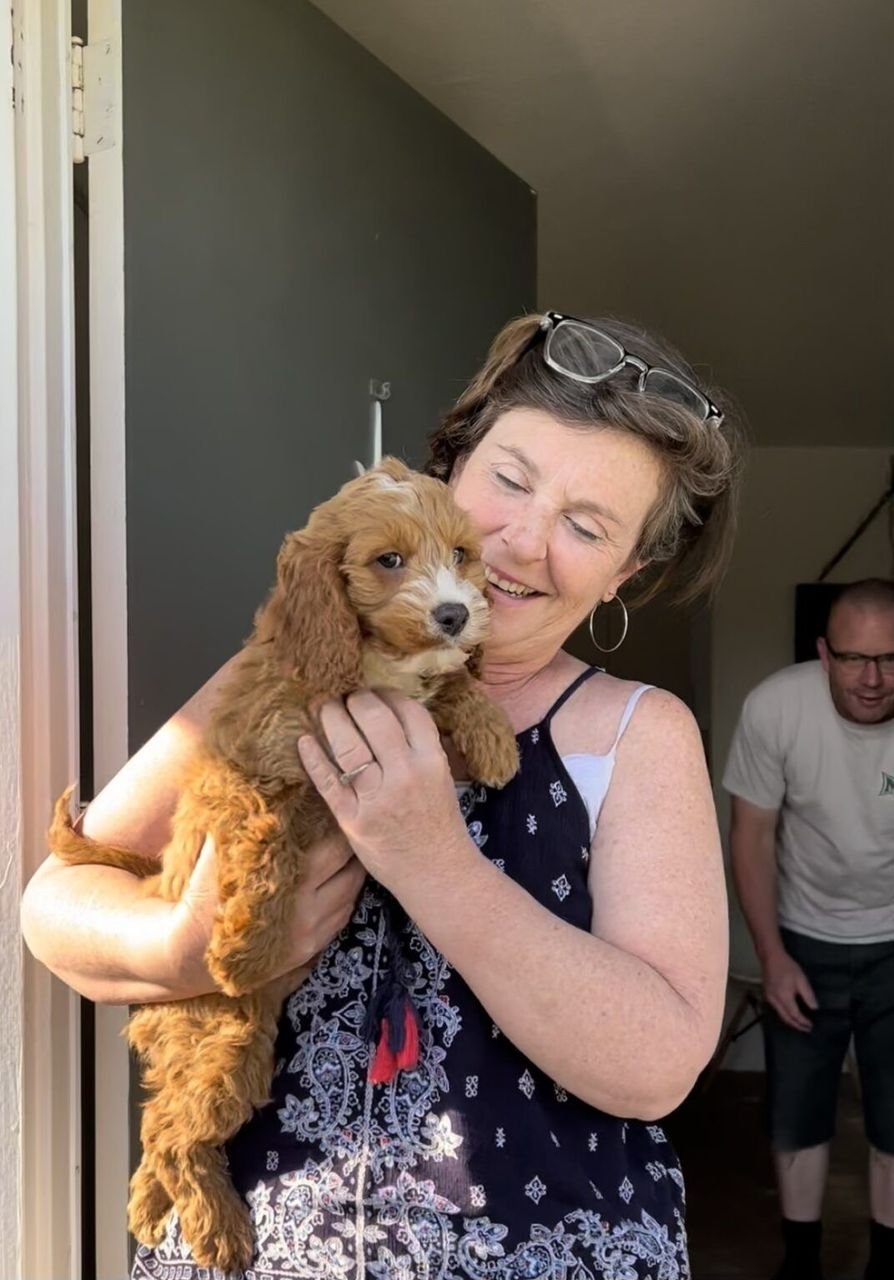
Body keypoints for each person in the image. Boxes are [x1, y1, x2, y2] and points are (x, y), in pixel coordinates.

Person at [22, 310, 742, 1279]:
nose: (522, 541)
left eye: (586, 525)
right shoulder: (282, 670)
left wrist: (431, 857)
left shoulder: (635, 733)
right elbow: (58, 900)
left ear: (628, 574)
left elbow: (655, 1064)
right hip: (254, 1250)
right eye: (511, 481)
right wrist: (184, 945)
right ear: (448, 470)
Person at [725, 578, 894, 1280]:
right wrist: (772, 955)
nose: (873, 679)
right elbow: (752, 835)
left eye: (890, 659)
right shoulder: (775, 708)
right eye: (854, 659)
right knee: (797, 1117)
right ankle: (802, 1259)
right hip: (803, 937)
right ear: (824, 654)